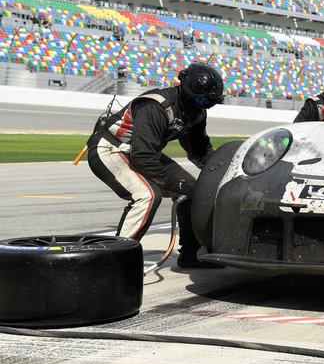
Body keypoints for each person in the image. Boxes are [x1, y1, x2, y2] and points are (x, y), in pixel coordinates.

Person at [87, 62, 224, 268]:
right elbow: (142, 156)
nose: (204, 105)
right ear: (187, 92)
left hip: (140, 152)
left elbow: (200, 151)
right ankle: (114, 260)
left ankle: (191, 253)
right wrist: (175, 185)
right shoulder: (156, 106)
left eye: (210, 102)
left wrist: (222, 173)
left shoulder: (196, 113)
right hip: (110, 149)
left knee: (194, 190)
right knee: (148, 196)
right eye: (202, 99)